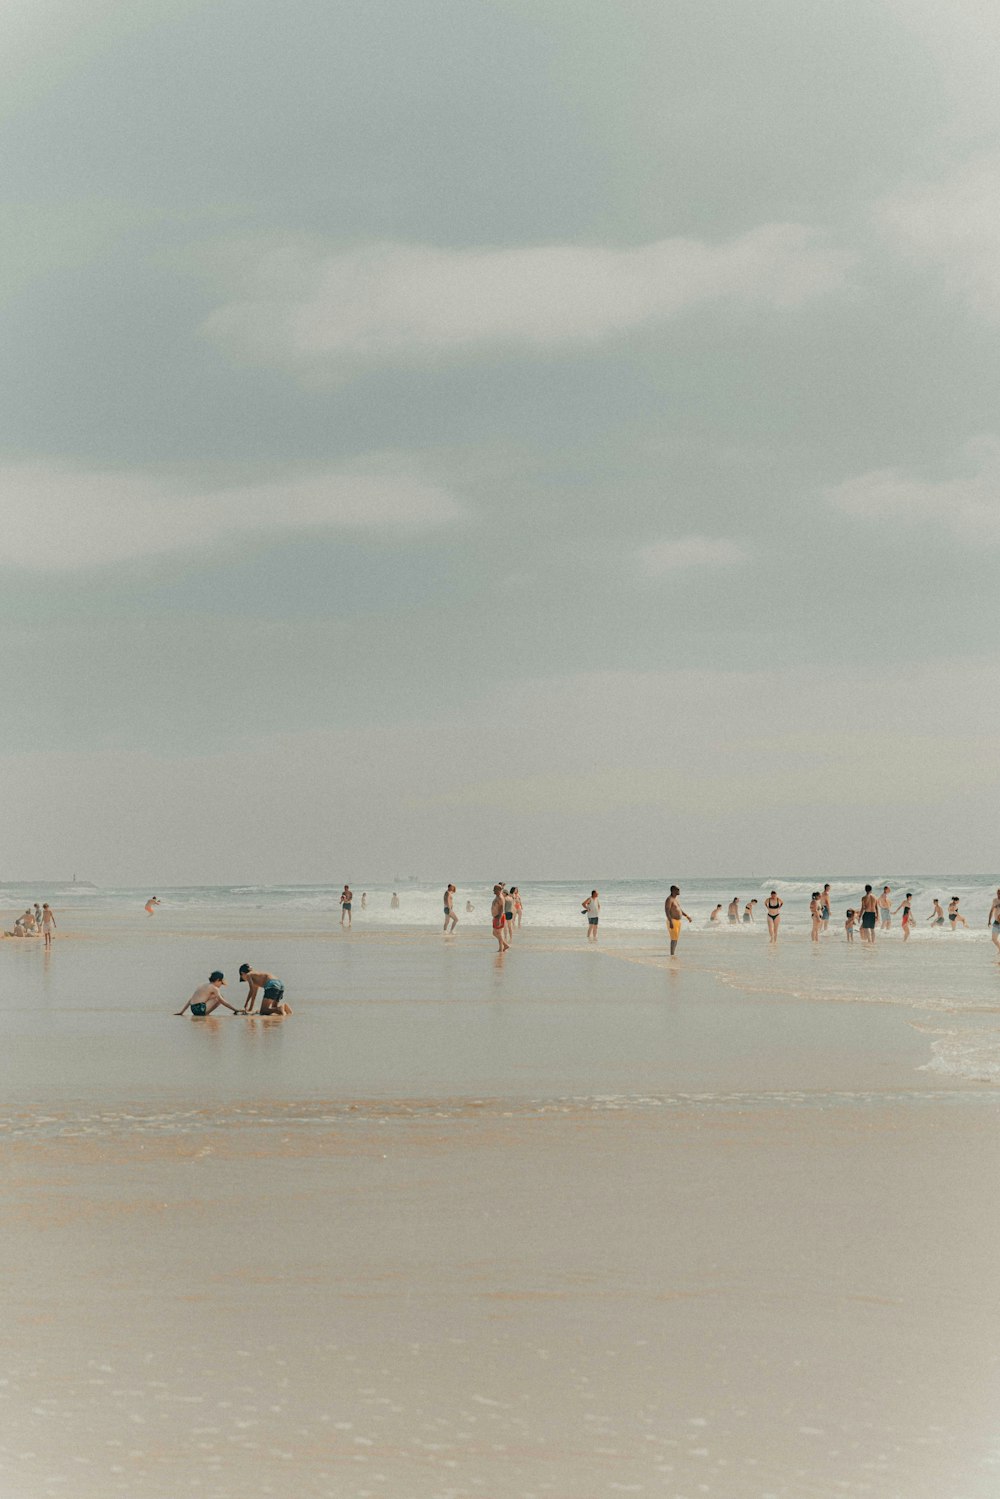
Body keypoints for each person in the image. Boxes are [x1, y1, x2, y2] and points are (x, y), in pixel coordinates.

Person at [176, 971, 240, 1017]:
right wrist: (235, 1009)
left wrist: (182, 1012)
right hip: (200, 1010)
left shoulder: (203, 985)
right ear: (218, 980)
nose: (221, 985)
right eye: (221, 983)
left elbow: (191, 999)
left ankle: (205, 1013)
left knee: (213, 996)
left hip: (193, 1009)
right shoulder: (214, 988)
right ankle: (206, 1014)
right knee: (220, 997)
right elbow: (222, 1001)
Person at [665, 886, 691, 957]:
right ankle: (672, 955)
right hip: (672, 921)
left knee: (676, 938)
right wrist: (670, 921)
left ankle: (673, 954)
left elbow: (679, 910)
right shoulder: (669, 899)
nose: (679, 890)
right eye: (678, 889)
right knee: (673, 938)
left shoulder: (675, 899)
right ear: (673, 890)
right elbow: (667, 911)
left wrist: (687, 916)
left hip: (677, 921)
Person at [491, 885, 510, 952]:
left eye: (495, 889)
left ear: (499, 890)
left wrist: (499, 919)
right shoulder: (497, 897)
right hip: (496, 917)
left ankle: (501, 948)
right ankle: (504, 946)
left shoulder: (500, 898)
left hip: (499, 917)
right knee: (495, 933)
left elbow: (501, 909)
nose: (493, 890)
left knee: (498, 933)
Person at [988, 890, 1000, 957]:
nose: (998, 895)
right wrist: (989, 920)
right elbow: (991, 910)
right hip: (996, 923)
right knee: (994, 939)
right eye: (998, 893)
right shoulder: (995, 900)